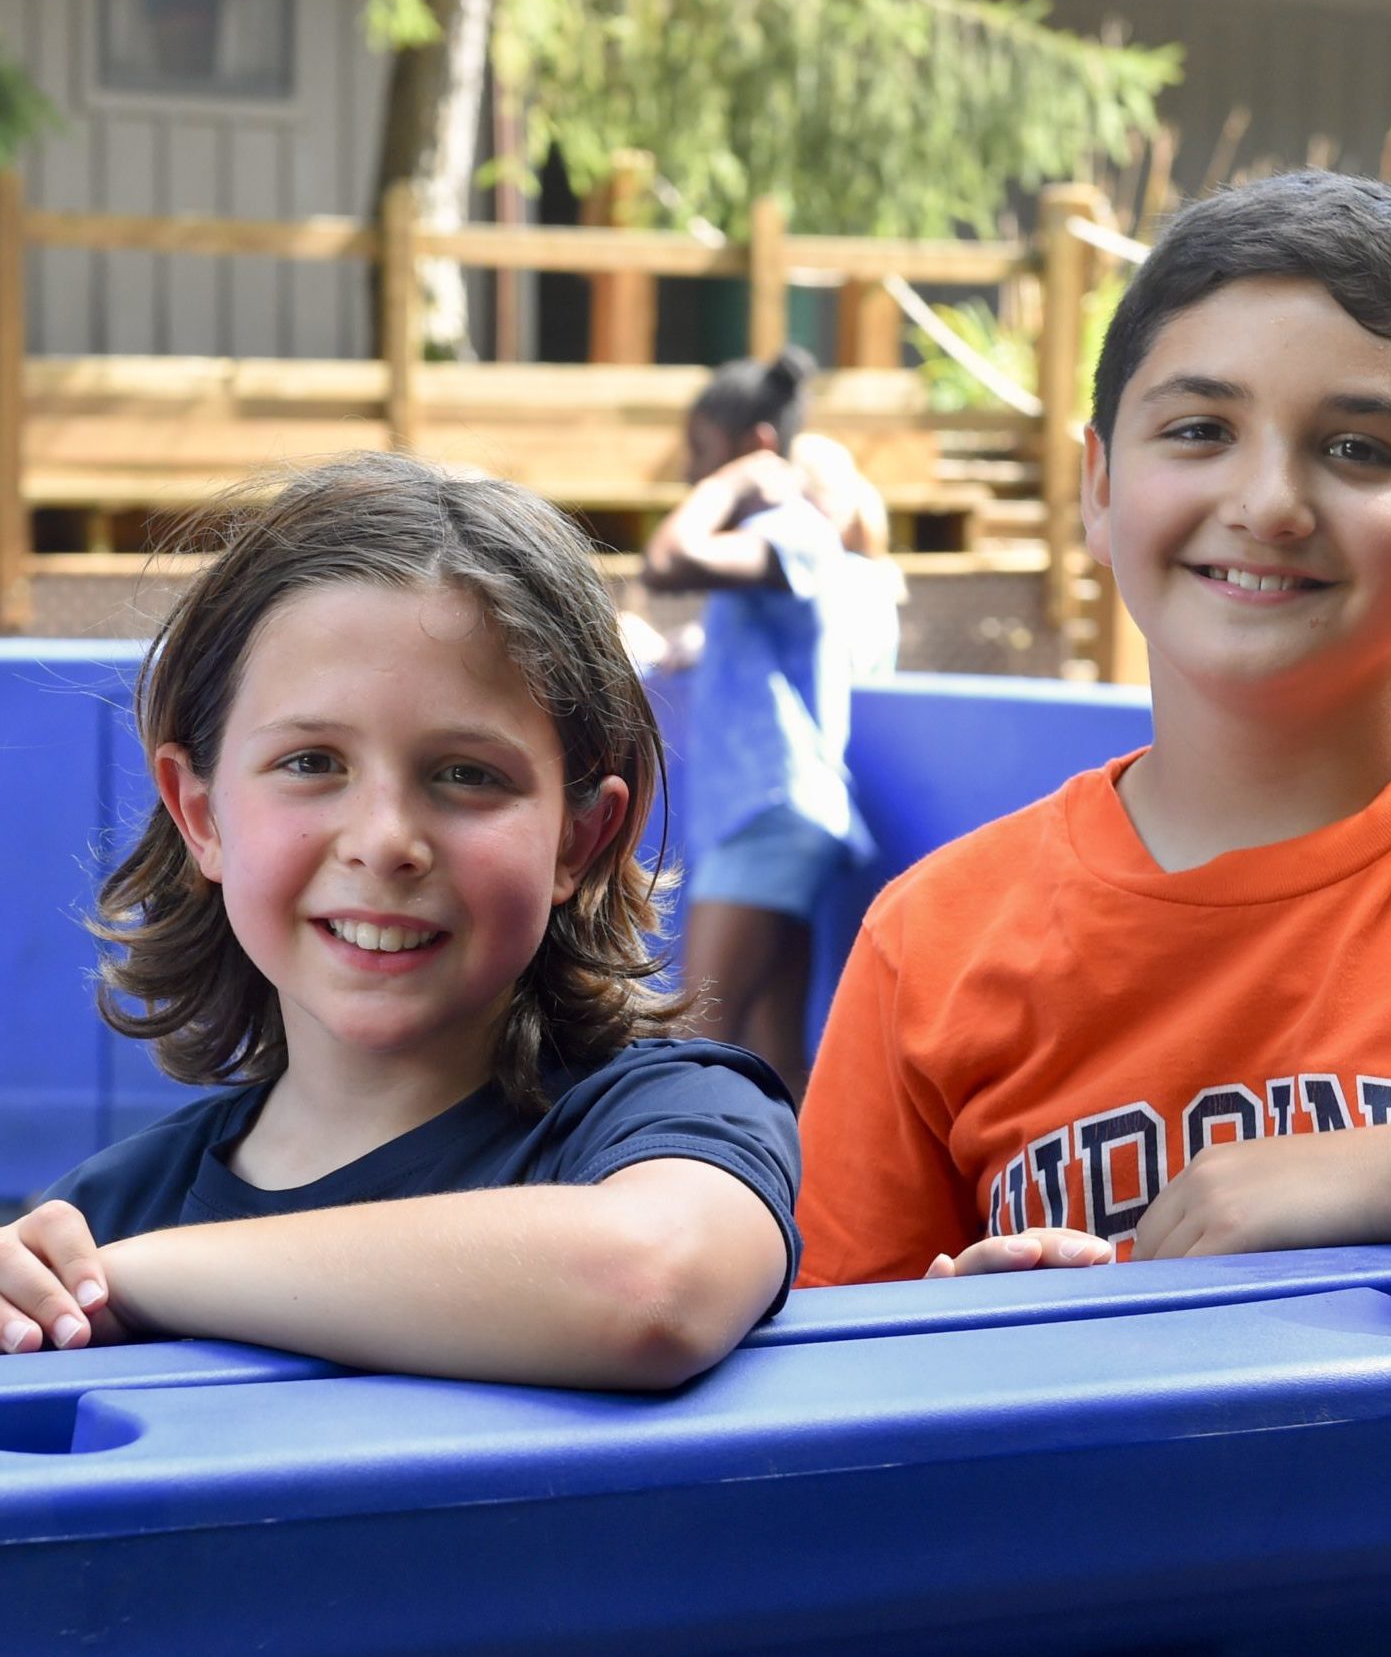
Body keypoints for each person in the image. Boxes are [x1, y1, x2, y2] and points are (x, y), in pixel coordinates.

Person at [795, 170, 1391, 1288]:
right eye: (1198, 429)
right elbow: (840, 1391)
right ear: (1099, 483)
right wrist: (954, 1354)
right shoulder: (928, 946)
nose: (1269, 501)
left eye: (1358, 448)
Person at [0, 453, 800, 1386]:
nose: (385, 842)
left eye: (467, 774)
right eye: (311, 762)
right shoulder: (93, 1225)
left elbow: (652, 1288)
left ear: (580, 841)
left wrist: (142, 1279)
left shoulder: (671, 1118)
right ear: (203, 816)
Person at [636, 347, 891, 1104]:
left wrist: (733, 483)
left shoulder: (792, 529)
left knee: (686, 1040)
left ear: (756, 448)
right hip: (768, 820)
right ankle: (806, 1214)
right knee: (773, 1060)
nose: (691, 473)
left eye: (702, 454)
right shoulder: (773, 549)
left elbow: (667, 558)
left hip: (771, 817)